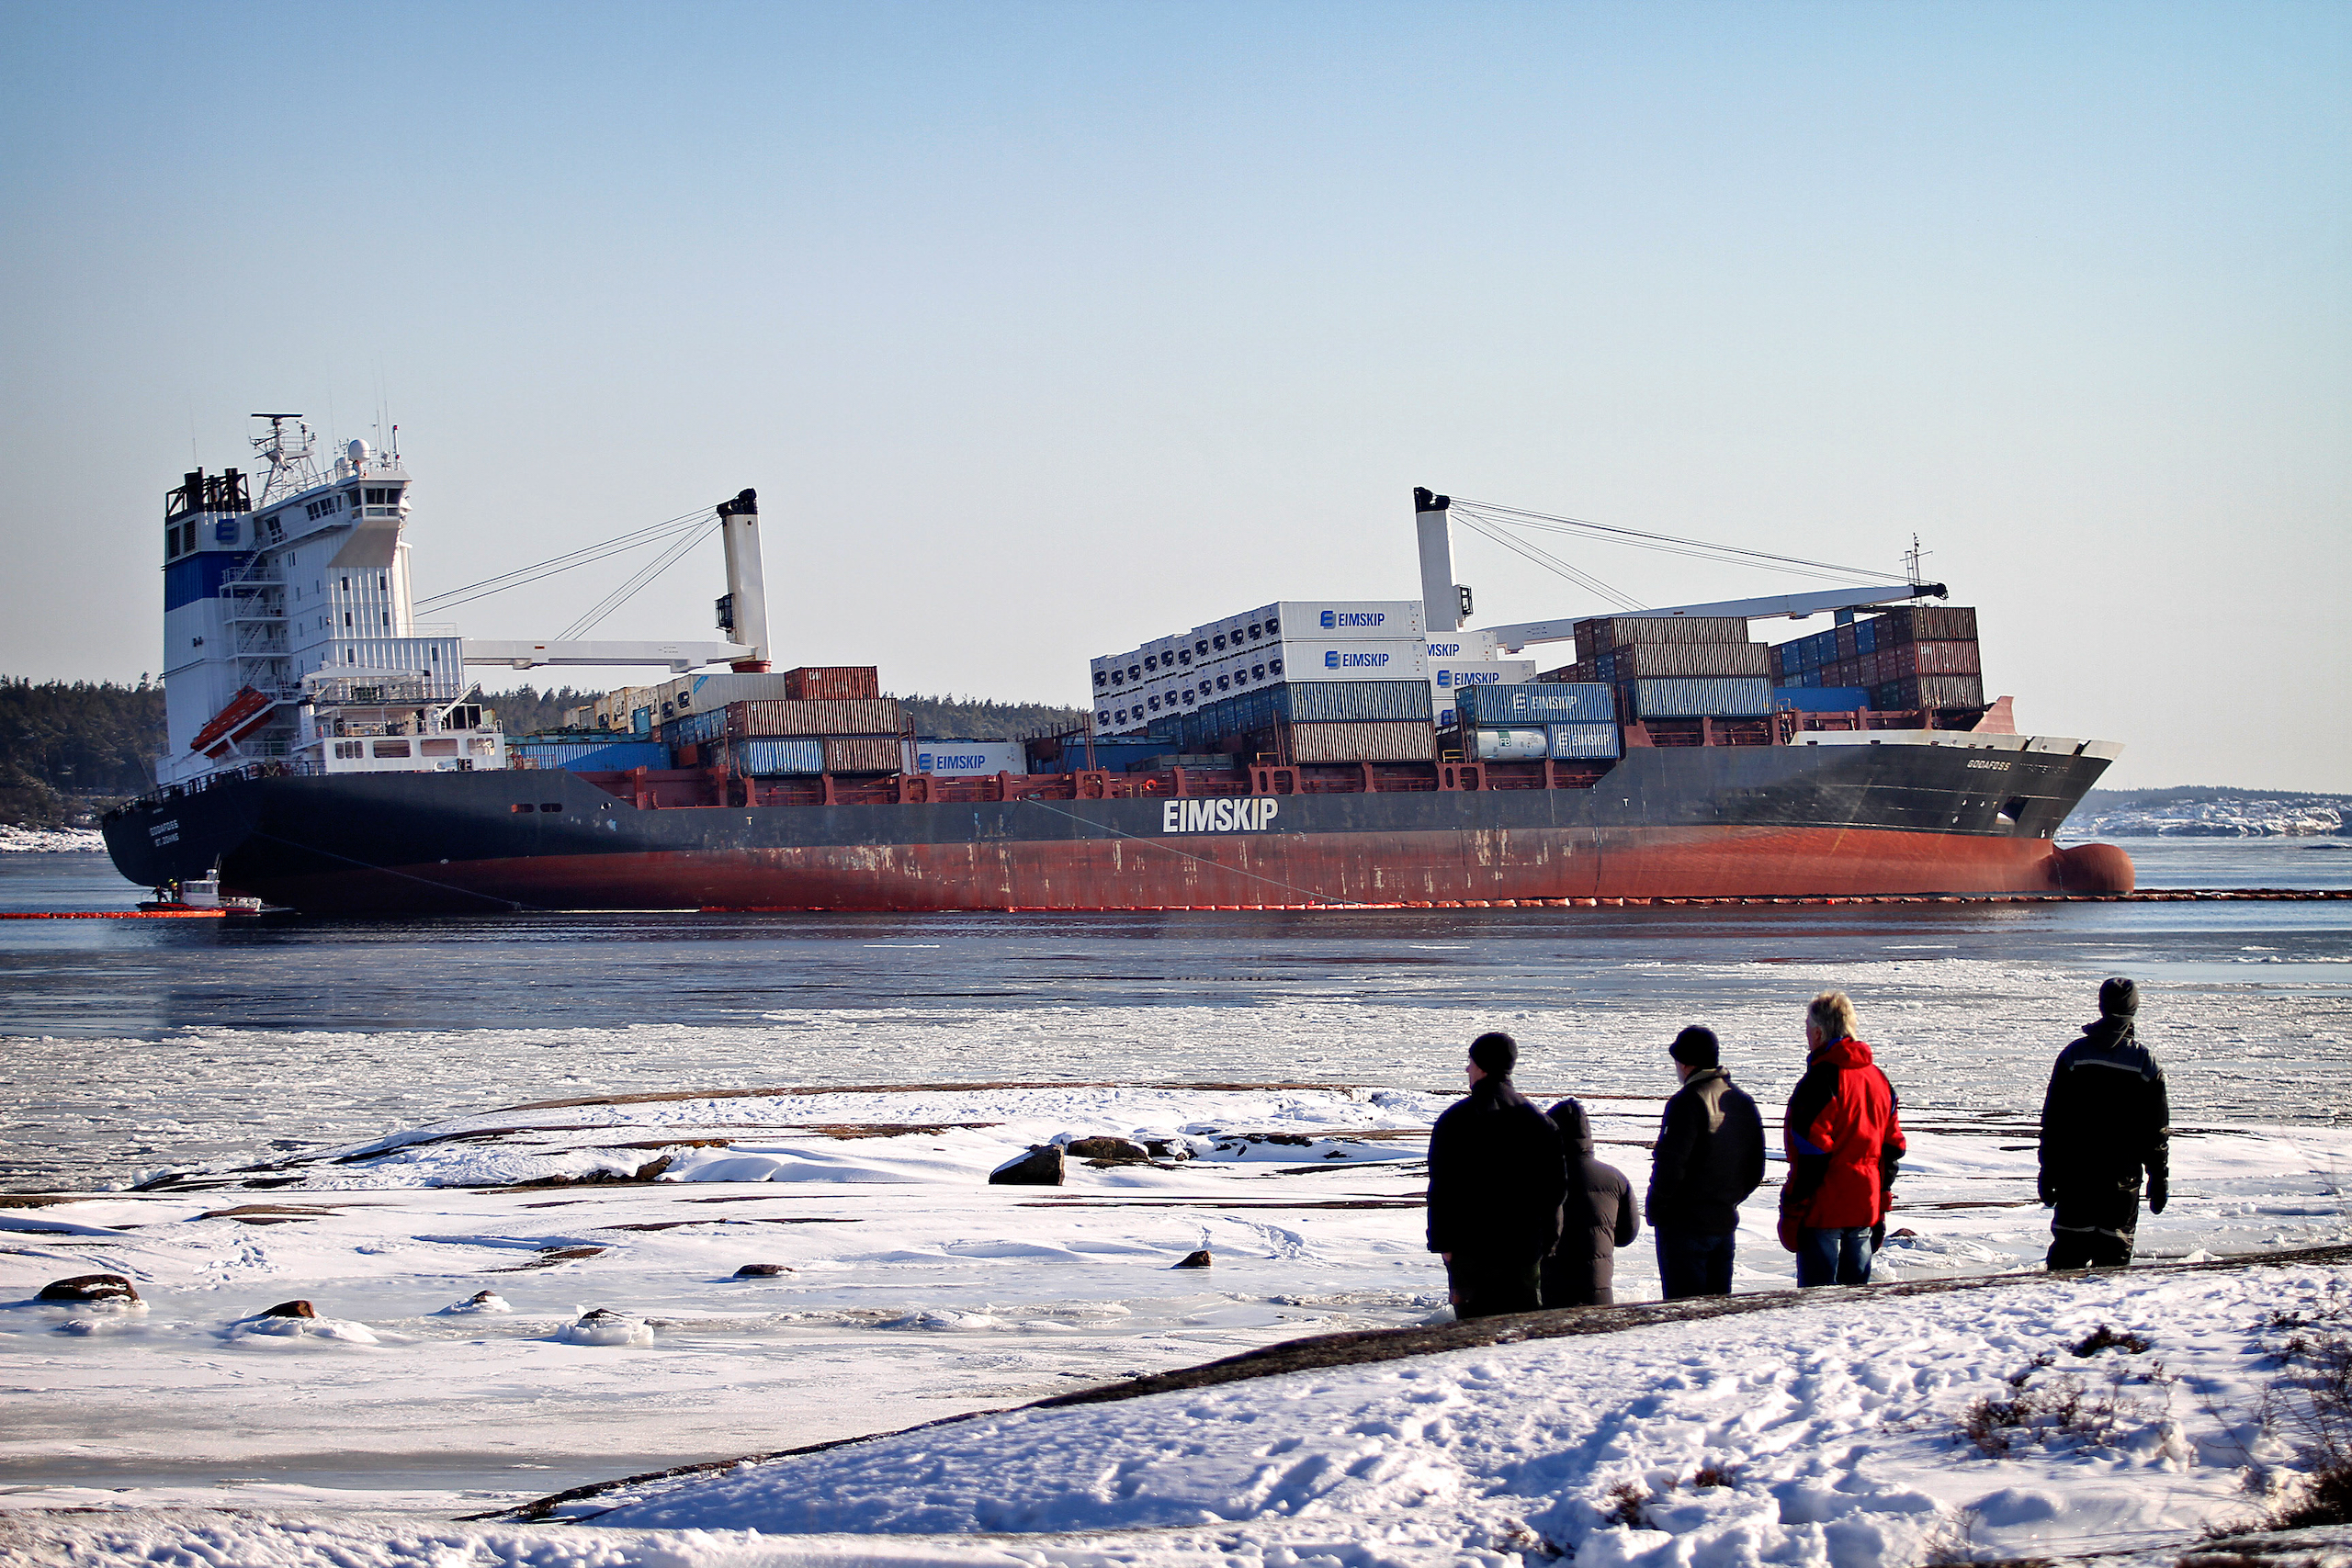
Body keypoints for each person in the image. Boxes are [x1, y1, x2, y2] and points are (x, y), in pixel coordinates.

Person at [1426, 1031, 1567, 1319]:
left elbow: (1442, 1188)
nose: (1467, 1069)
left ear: (1483, 1066)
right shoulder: (1540, 1122)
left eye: (1471, 1062)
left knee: (1473, 1333)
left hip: (1470, 1249)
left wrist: (1444, 1243)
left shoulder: (1456, 1120)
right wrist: (1548, 1241)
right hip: (1524, 1247)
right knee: (1521, 1327)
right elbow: (1555, 1191)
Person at [2039, 977, 2170, 1269]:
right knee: (2110, 1275)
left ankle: (2057, 1314)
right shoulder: (2145, 1063)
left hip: (2075, 1182)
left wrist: (2048, 1169)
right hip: (2120, 1186)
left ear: (2102, 1005)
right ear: (2133, 1010)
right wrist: (2158, 1178)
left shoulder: (2074, 1055)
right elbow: (2156, 1133)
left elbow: (2053, 1121)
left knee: (2064, 1267)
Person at [1779, 991, 1905, 1287]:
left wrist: (1793, 1205)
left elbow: (1812, 1152)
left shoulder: (1821, 1081)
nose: (1806, 1033)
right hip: (1864, 1206)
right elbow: (1893, 1146)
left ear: (1820, 1031)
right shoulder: (1878, 1080)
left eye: (1808, 1026)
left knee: (1819, 1301)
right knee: (1854, 1302)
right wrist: (1881, 1198)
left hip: (1824, 1211)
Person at [1646, 1025, 1767, 1300]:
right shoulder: (1741, 1101)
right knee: (1716, 1314)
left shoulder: (1687, 1102)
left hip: (1686, 1228)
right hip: (1723, 1223)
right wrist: (1727, 1200)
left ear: (1686, 1063)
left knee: (1684, 1314)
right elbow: (1755, 1168)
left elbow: (1671, 1164)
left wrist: (1657, 1210)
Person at [1541, 1099, 1640, 1308]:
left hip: (1553, 1289)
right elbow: (1625, 1235)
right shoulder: (1615, 1178)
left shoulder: (1541, 1179)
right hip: (1599, 1289)